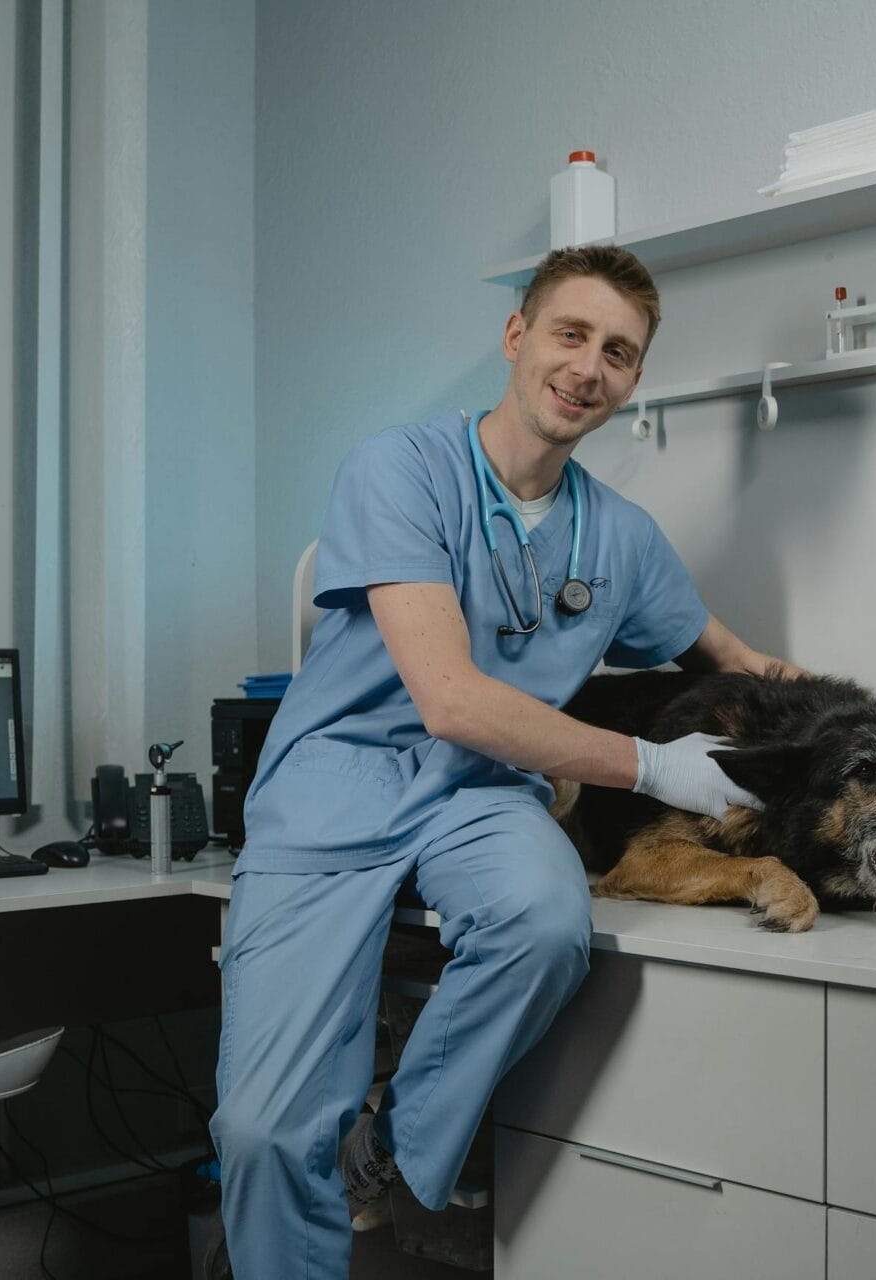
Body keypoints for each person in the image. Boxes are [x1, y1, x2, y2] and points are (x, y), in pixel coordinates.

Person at [210, 244, 802, 1277]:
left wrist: (807, 715)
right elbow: (448, 698)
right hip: (339, 782)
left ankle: (390, 1148)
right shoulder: (399, 469)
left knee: (543, 922)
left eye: (619, 352)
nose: (589, 366)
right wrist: (656, 767)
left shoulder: (621, 536)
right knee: (264, 1131)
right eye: (571, 334)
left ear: (633, 381)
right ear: (517, 335)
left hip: (482, 798)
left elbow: (728, 653)